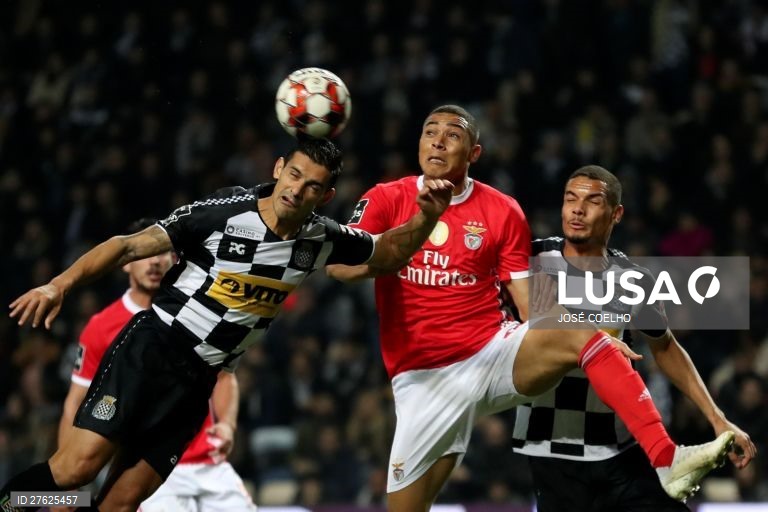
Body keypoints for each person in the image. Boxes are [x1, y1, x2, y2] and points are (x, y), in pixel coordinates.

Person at [1, 137, 455, 512]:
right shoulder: (224, 212)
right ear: (278, 168)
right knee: (74, 472)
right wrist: (57, 286)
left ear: (326, 196)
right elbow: (125, 246)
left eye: (312, 186)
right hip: (154, 349)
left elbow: (388, 253)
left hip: (199, 380)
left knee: (119, 505)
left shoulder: (321, 239)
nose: (297, 190)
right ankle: (9, 504)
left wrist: (427, 216)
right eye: (294, 175)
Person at [326, 105, 739, 512]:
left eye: (453, 134)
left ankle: (667, 459)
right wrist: (419, 225)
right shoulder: (386, 197)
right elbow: (339, 267)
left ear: (474, 153)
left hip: (492, 355)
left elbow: (531, 310)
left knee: (574, 329)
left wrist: (594, 338)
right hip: (426, 380)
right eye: (429, 130)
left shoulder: (504, 211)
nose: (438, 140)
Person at [511, 165, 756, 512]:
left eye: (592, 201)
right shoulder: (530, 261)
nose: (577, 209)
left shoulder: (632, 279)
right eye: (570, 199)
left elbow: (666, 347)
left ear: (616, 213)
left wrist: (717, 418)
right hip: (552, 452)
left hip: (620, 451)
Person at [58, 218, 256, 511]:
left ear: (175, 259)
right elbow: (75, 404)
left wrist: (226, 424)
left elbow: (225, 377)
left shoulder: (199, 310)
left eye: (162, 254)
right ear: (127, 262)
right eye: (144, 255)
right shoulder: (102, 326)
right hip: (148, 467)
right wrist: (65, 493)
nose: (153, 263)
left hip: (209, 462)